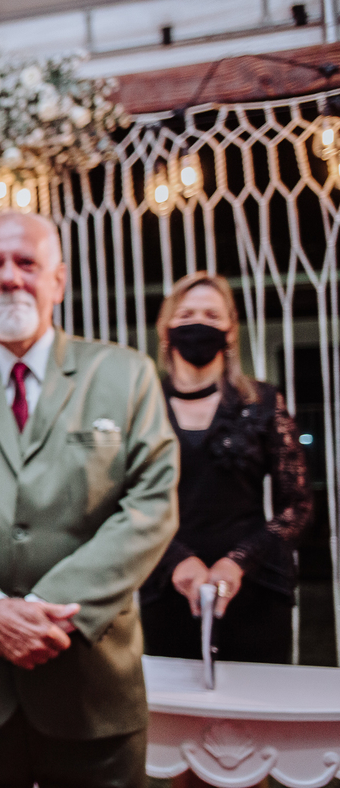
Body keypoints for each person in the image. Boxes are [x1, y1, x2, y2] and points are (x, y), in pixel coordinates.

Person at [0, 210, 179, 788]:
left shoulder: (125, 375)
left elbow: (152, 503)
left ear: (58, 280)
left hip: (93, 681)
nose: (9, 278)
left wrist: (51, 606)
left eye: (26, 263)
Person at [140, 272, 312, 664]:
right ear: (166, 329)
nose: (198, 323)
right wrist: (176, 560)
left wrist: (238, 562)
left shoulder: (264, 402)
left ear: (230, 331)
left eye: (211, 315)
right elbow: (119, 499)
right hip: (165, 586)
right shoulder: (141, 406)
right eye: (186, 314)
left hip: (254, 587)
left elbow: (297, 507)